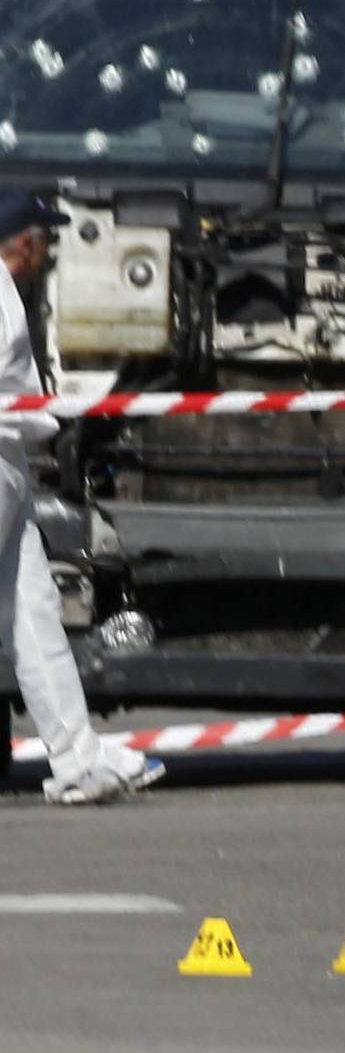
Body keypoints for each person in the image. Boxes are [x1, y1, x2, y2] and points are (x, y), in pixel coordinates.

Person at [0, 190, 161, 808]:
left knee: (35, 620)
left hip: (11, 464)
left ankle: (78, 758)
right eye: (48, 239)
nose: (51, 254)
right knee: (31, 619)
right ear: (26, 242)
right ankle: (77, 758)